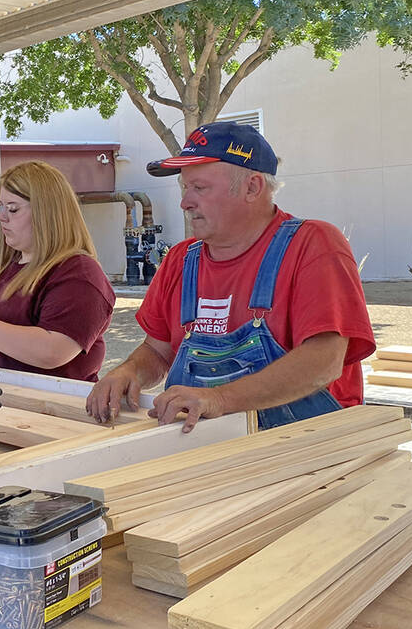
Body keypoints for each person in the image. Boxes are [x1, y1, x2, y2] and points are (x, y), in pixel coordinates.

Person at [86, 121, 375, 431]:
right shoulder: (181, 261)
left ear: (252, 187)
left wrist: (220, 399)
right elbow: (158, 351)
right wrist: (129, 371)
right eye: (185, 188)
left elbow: (323, 361)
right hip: (211, 450)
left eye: (200, 188)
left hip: (310, 450)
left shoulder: (313, 245)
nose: (185, 202)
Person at [0, 160, 115, 381]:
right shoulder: (1, 269)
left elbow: (53, 351)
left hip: (52, 407)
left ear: (47, 212)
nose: (2, 216)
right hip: (0, 401)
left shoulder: (79, 273)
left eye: (12, 208)